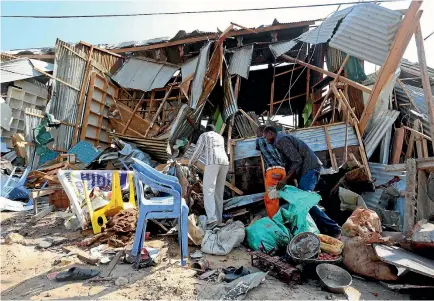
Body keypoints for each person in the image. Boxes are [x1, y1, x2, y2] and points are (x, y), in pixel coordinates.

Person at [263, 126, 341, 237]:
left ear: (271, 133)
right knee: (303, 202)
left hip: (309, 168)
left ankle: (334, 228)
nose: (266, 140)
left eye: (265, 137)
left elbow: (297, 160)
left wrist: (285, 179)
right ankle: (323, 228)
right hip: (308, 169)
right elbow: (291, 161)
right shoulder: (279, 141)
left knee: (303, 202)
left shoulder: (281, 140)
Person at [189, 124, 229, 228]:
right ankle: (219, 220)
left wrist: (190, 163)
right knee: (218, 193)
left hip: (213, 162)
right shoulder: (220, 137)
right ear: (214, 130)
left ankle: (212, 219)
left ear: (206, 130)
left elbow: (198, 150)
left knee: (208, 191)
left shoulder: (204, 135)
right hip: (224, 162)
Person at [256, 125, 286, 218]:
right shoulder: (276, 139)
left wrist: (259, 136)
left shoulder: (260, 140)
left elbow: (258, 146)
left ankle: (275, 222)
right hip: (282, 171)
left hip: (273, 172)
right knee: (276, 196)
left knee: (272, 199)